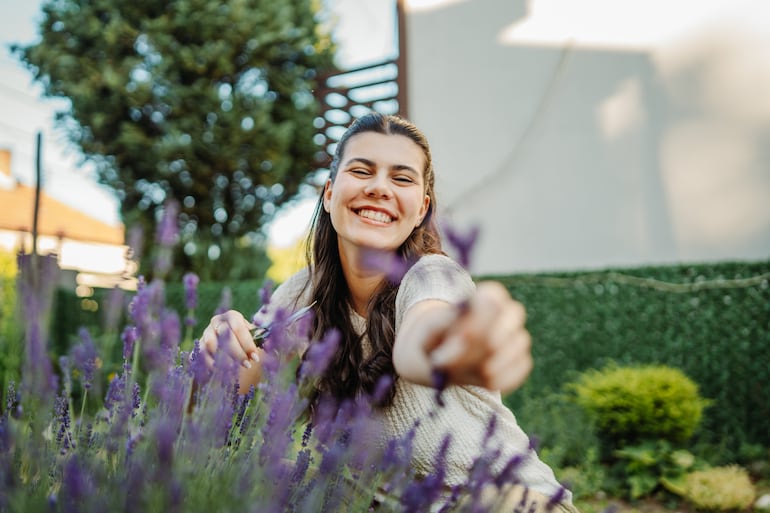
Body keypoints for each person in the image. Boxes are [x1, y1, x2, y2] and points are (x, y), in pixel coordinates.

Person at [198, 113, 576, 512]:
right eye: (362, 171)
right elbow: (216, 405)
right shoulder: (301, 294)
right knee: (250, 476)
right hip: (385, 503)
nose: (379, 188)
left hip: (507, 502)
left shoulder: (433, 274)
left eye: (401, 178)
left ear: (421, 209)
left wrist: (448, 351)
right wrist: (220, 351)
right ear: (329, 194)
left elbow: (423, 332)